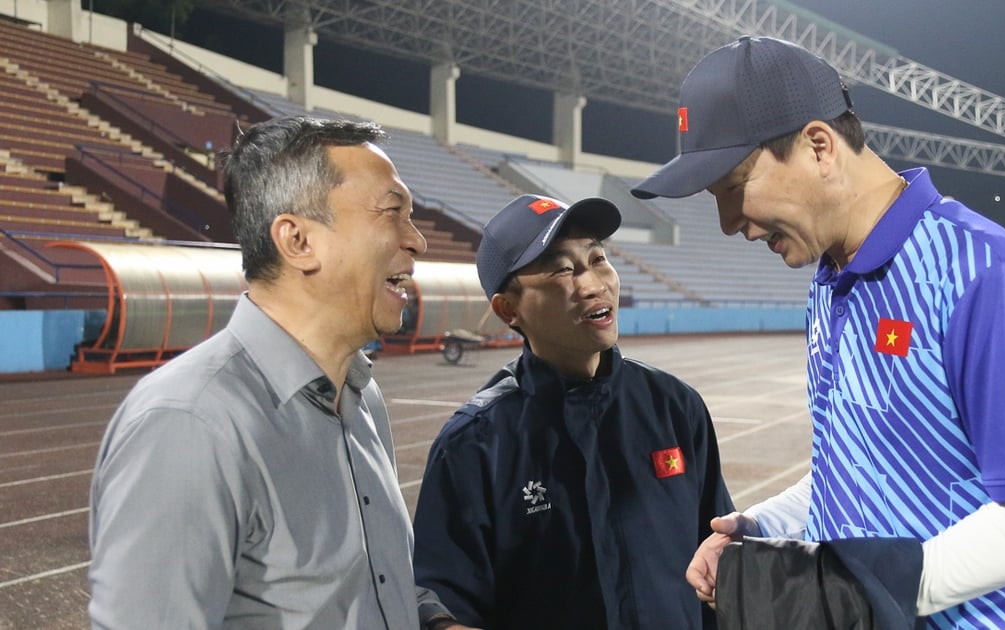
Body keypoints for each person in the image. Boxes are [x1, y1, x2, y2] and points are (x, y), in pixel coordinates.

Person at [632, 36, 1005, 628]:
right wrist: (764, 527)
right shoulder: (829, 279)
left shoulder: (985, 276)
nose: (727, 225)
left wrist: (864, 594)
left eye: (731, 188)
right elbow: (858, 466)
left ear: (819, 146)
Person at [88, 116, 473, 630]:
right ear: (297, 241)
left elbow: (364, 587)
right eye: (392, 213)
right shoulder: (189, 423)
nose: (417, 241)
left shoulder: (361, 395)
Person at [412, 194, 735, 629]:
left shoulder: (674, 406)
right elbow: (442, 597)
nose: (593, 283)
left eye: (598, 258)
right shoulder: (476, 444)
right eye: (563, 269)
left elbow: (717, 558)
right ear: (509, 310)